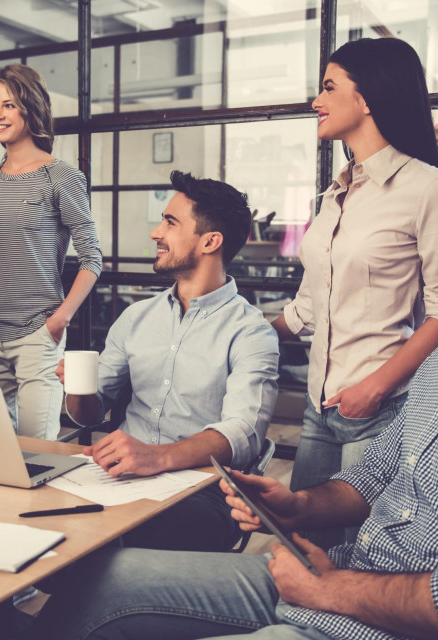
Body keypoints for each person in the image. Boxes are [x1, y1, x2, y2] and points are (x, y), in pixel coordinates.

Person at [30, 347, 438, 640]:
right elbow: (374, 475)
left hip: (379, 617)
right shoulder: (432, 367)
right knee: (104, 578)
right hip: (348, 577)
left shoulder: (247, 332)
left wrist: (332, 589)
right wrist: (299, 507)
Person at [270, 38, 438, 546]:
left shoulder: (426, 187)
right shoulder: (337, 192)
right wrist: (230, 326)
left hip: (376, 410)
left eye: (328, 87)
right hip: (318, 407)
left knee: (355, 556)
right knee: (298, 543)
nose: (315, 101)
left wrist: (377, 387)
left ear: (366, 99)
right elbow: (305, 307)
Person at [58, 169, 279, 552]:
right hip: (117, 477)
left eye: (170, 222)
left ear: (210, 241)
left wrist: (156, 458)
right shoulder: (136, 318)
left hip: (200, 489)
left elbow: (243, 433)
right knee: (40, 517)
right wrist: (79, 388)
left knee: (127, 544)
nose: (155, 233)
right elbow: (89, 414)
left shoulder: (252, 332)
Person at [0, 64, 102, 441]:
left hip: (36, 335)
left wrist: (59, 320)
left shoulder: (62, 176)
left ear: (30, 108)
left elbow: (92, 259)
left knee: (37, 452)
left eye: (9, 105)